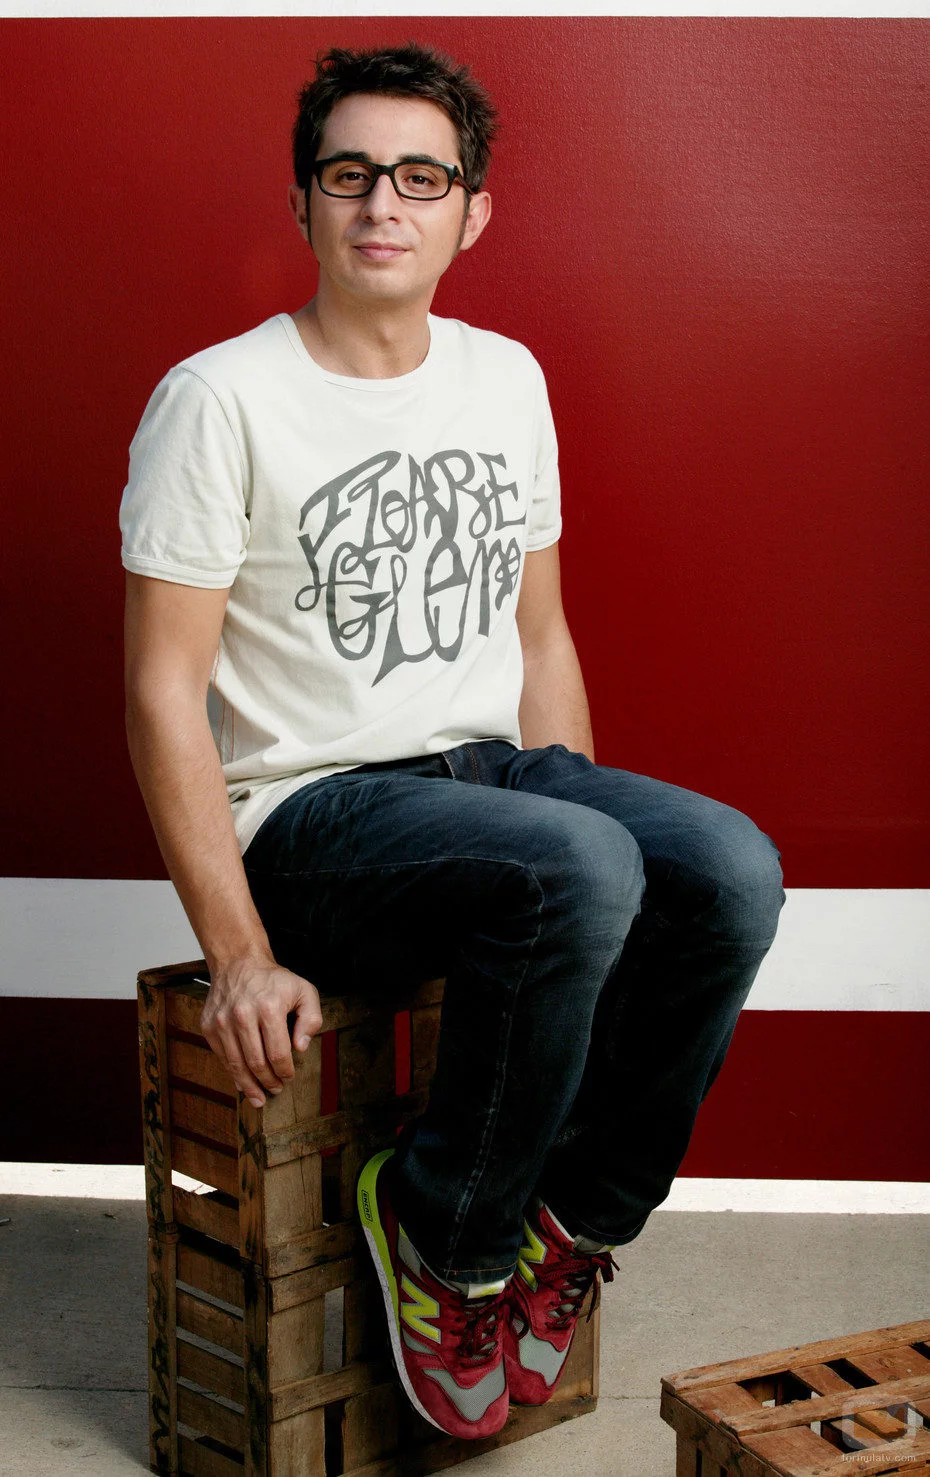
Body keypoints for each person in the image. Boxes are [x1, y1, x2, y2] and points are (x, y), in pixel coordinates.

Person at [120, 41, 785, 1444]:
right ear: (303, 201)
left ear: (471, 213)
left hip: (489, 781)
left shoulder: (504, 378)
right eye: (350, 174)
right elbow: (162, 692)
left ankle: (573, 1218)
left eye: (421, 178)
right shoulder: (217, 399)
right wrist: (237, 953)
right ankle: (447, 1234)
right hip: (314, 815)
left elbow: (538, 638)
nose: (383, 205)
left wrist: (581, 820)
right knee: (577, 867)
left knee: (729, 865)